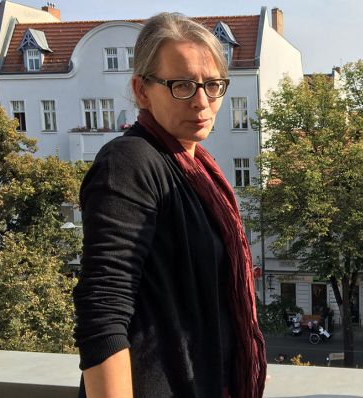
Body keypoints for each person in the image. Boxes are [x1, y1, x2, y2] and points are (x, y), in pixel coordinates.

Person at [72, 13, 266, 398]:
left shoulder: (197, 172)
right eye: (181, 85)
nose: (201, 102)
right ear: (142, 90)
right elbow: (103, 308)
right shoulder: (129, 163)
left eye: (213, 85)